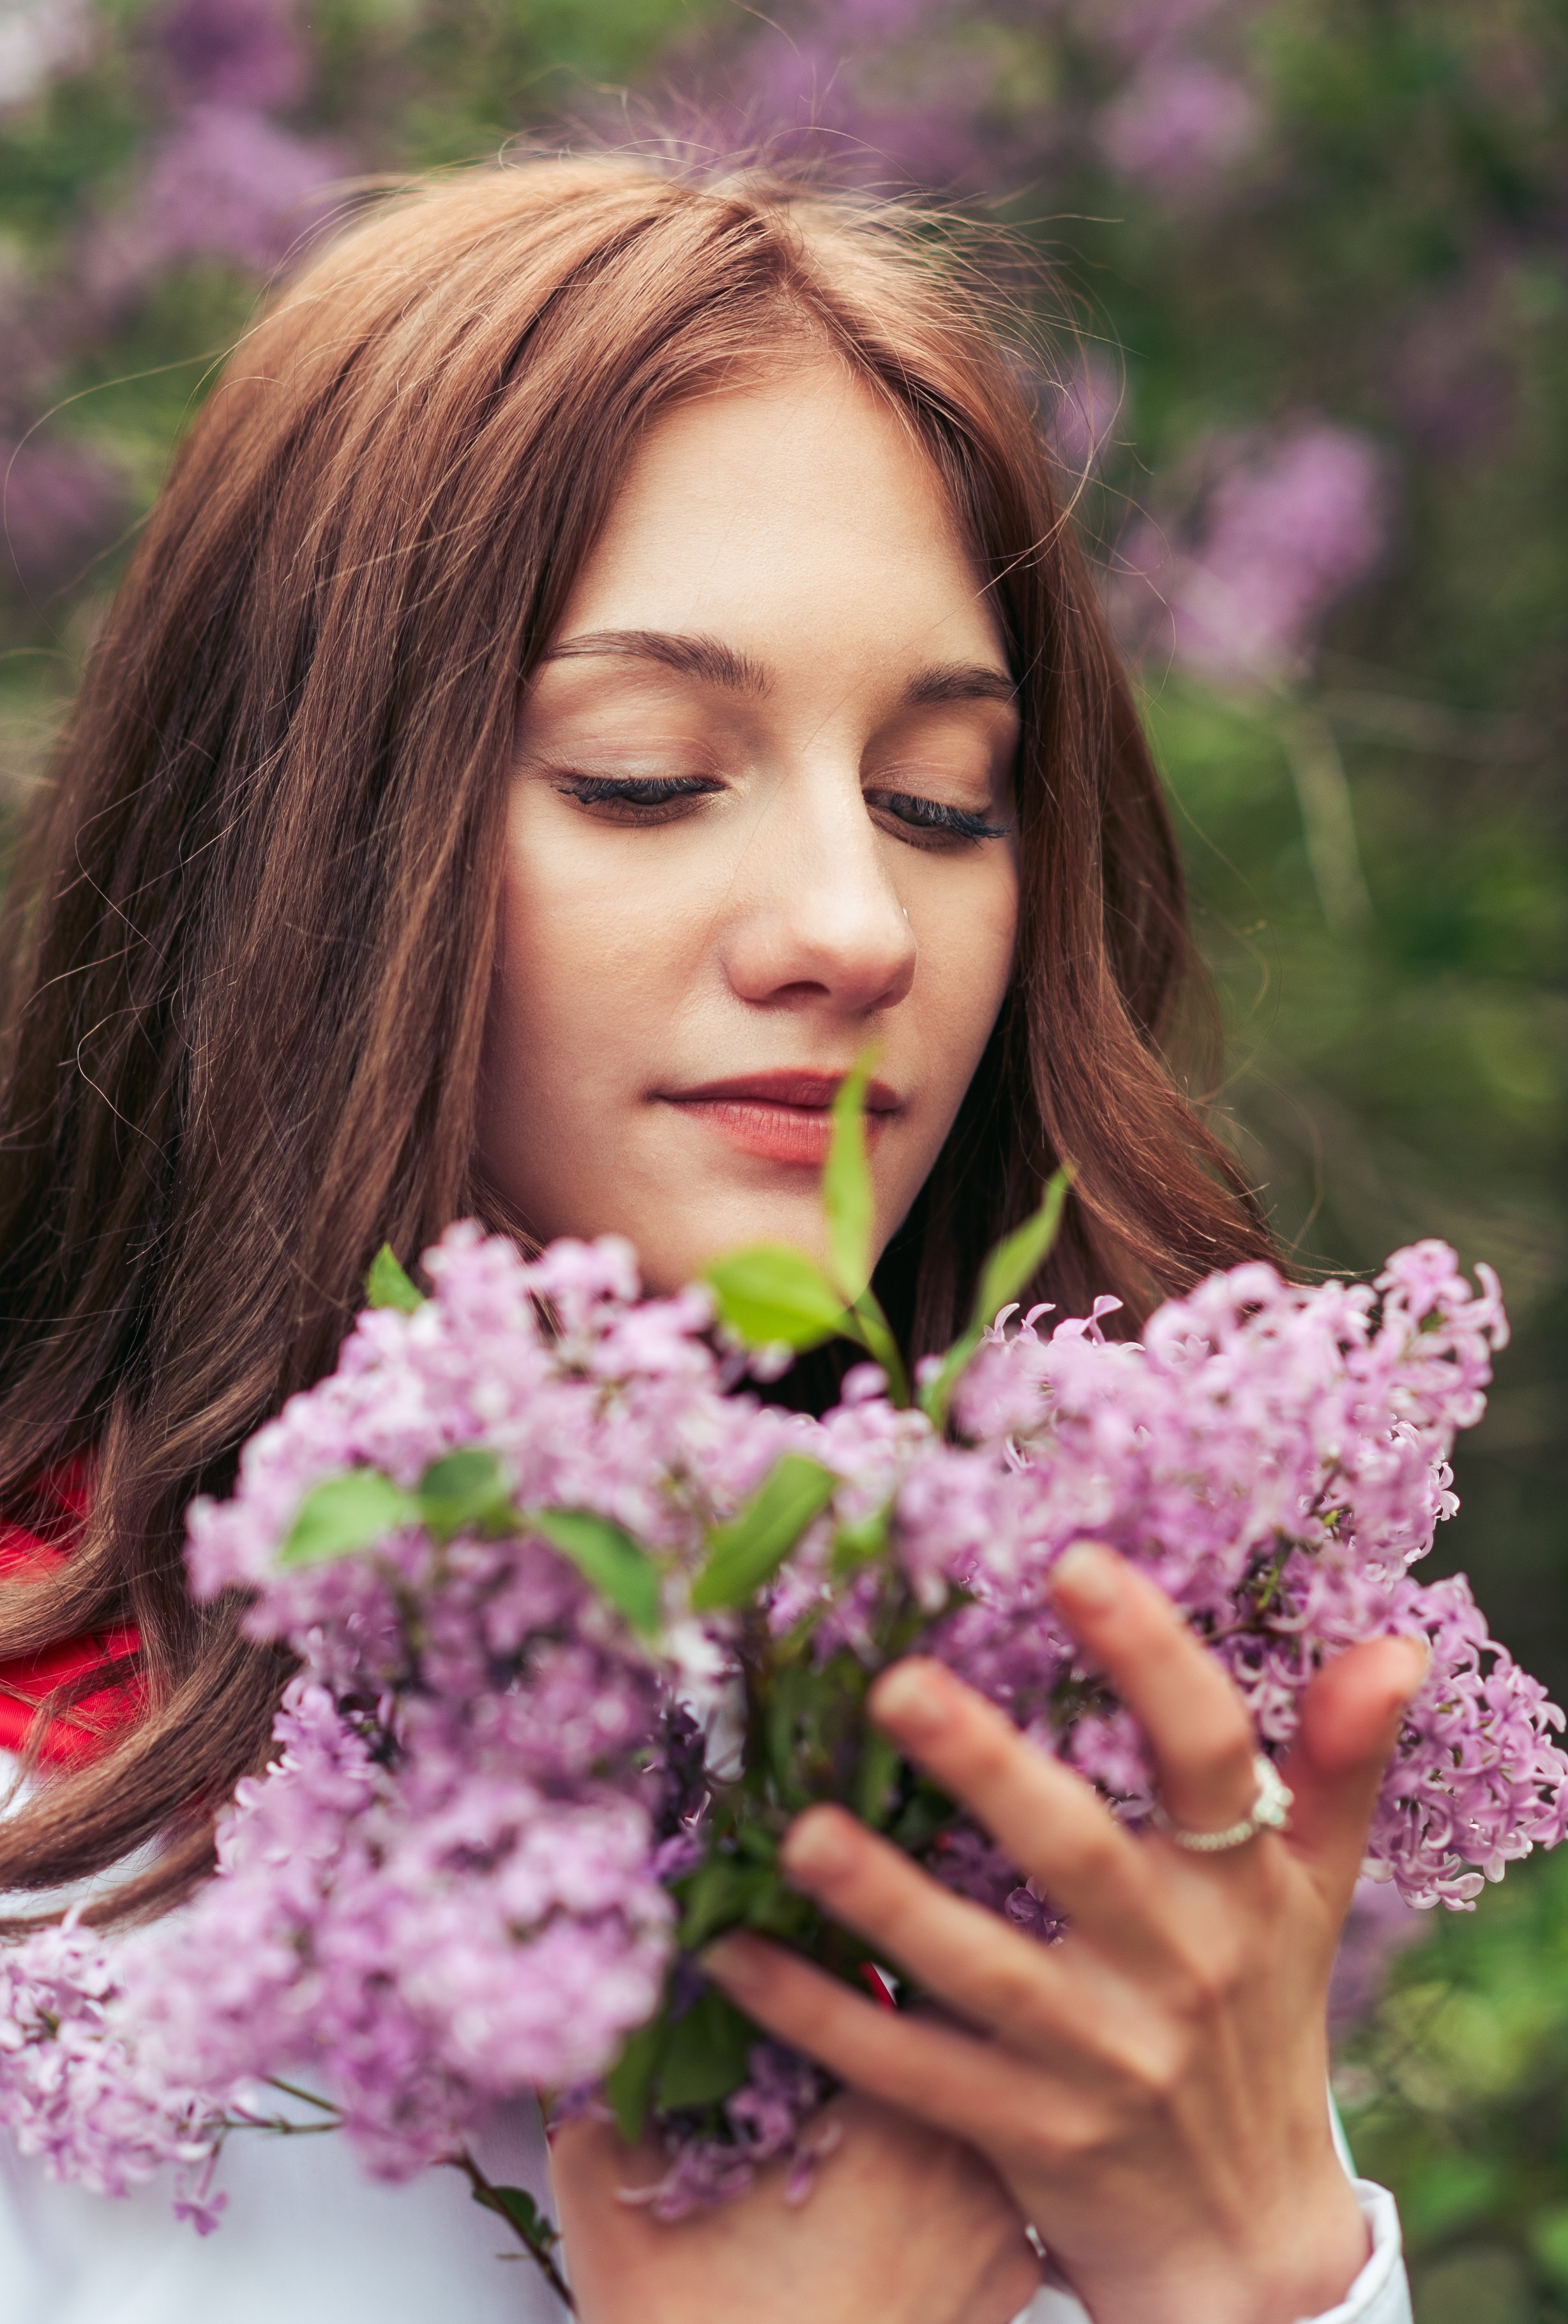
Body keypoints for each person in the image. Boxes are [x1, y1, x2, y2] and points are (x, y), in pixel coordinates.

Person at [0, 153, 1419, 2323]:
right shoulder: (53, 1894)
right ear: (299, 833)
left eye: (947, 802)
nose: (862, 929)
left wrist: (1261, 2268)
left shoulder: (1058, 1819)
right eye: (652, 774)